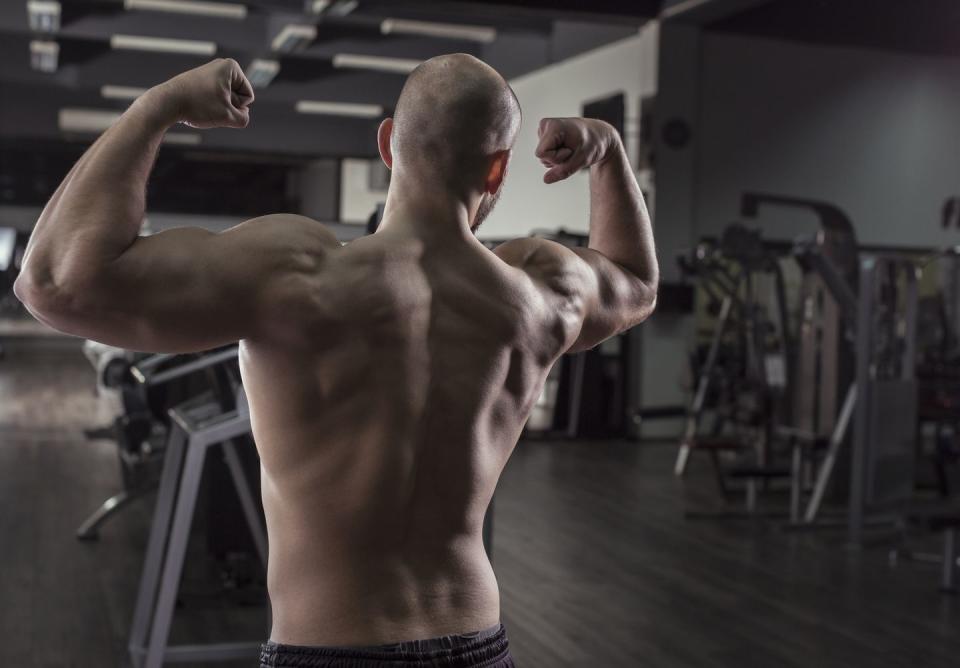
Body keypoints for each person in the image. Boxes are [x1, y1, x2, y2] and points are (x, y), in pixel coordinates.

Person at [14, 54, 657, 667]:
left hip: (327, 648)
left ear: (386, 146)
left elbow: (52, 281)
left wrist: (158, 108)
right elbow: (636, 280)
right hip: (478, 644)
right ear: (497, 173)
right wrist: (608, 153)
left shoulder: (295, 273)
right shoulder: (541, 291)